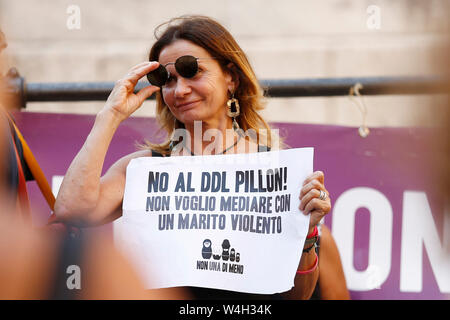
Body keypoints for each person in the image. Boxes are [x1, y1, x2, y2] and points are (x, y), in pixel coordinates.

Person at [54, 15, 332, 299]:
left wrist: (307, 234)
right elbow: (71, 209)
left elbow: (298, 296)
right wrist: (110, 115)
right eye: (167, 79)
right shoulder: (142, 169)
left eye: (192, 71)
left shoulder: (276, 171)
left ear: (231, 78)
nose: (180, 90)